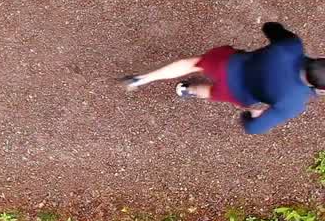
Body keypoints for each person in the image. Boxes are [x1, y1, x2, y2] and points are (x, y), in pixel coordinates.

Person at [121, 22, 325, 134]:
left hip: (229, 62)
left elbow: (269, 27)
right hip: (237, 93)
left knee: (193, 63)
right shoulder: (293, 103)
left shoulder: (290, 47)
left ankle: (143, 78)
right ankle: (187, 90)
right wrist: (251, 114)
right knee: (209, 92)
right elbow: (254, 128)